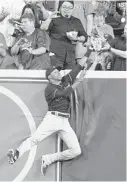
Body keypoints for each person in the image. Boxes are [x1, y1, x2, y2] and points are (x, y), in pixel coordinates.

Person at [7, 49, 92, 175]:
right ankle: (16, 153)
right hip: (53, 119)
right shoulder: (49, 89)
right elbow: (64, 93)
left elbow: (78, 67)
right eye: (55, 72)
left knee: (76, 150)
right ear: (50, 77)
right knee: (35, 139)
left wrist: (90, 49)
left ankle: (48, 159)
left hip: (64, 121)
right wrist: (79, 81)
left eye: (58, 71)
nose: (59, 73)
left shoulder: (64, 80)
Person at [48, 0, 87, 69]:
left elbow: (84, 36)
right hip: (55, 56)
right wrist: (49, 19)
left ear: (72, 9)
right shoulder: (54, 19)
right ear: (60, 8)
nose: (67, 9)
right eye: (64, 7)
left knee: (69, 77)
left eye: (69, 7)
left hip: (70, 57)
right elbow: (43, 29)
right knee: (55, 76)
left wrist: (76, 38)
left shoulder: (76, 21)